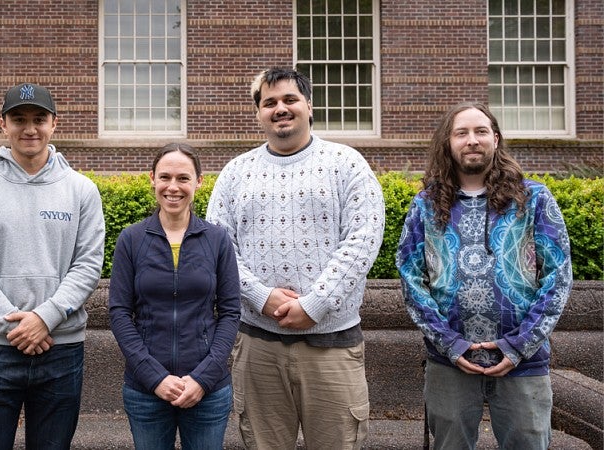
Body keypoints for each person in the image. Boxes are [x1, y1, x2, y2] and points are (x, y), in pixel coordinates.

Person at [205, 67, 385, 449]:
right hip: (258, 346)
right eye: (269, 102)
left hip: (332, 348)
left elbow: (362, 240)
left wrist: (315, 304)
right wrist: (260, 296)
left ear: (309, 106)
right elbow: (218, 248)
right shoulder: (236, 173)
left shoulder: (347, 164)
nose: (280, 108)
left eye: (290, 99)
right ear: (258, 114)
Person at [396, 102, 572, 449]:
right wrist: (450, 343)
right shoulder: (426, 205)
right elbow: (410, 277)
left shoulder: (533, 199)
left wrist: (519, 345)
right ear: (448, 143)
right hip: (450, 363)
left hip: (524, 362)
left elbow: (557, 276)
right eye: (461, 133)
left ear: (495, 138)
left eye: (480, 131)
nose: (471, 140)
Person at [0, 83, 105, 449]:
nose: (29, 128)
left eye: (39, 119)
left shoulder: (81, 190)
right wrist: (17, 325)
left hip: (61, 348)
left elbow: (87, 265)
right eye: (19, 119)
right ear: (3, 124)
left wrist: (44, 318)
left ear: (54, 124)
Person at [109, 143, 241, 449]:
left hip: (207, 392)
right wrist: (154, 377)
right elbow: (119, 312)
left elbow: (231, 312)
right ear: (152, 179)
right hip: (145, 391)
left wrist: (203, 378)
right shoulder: (132, 239)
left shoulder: (217, 239)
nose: (173, 187)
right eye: (165, 177)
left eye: (183, 178)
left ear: (198, 182)